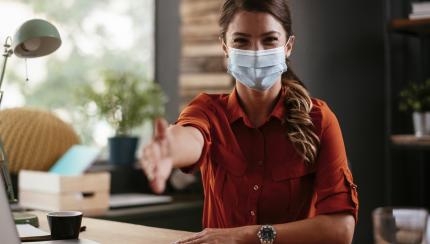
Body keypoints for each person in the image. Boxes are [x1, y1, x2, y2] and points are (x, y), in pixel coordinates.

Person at [140, 0, 358, 243]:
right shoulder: (207, 110)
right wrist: (169, 151)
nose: (256, 52)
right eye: (241, 41)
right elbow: (192, 137)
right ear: (225, 47)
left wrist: (247, 235)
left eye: (269, 40)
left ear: (288, 46)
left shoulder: (319, 119)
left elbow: (341, 230)